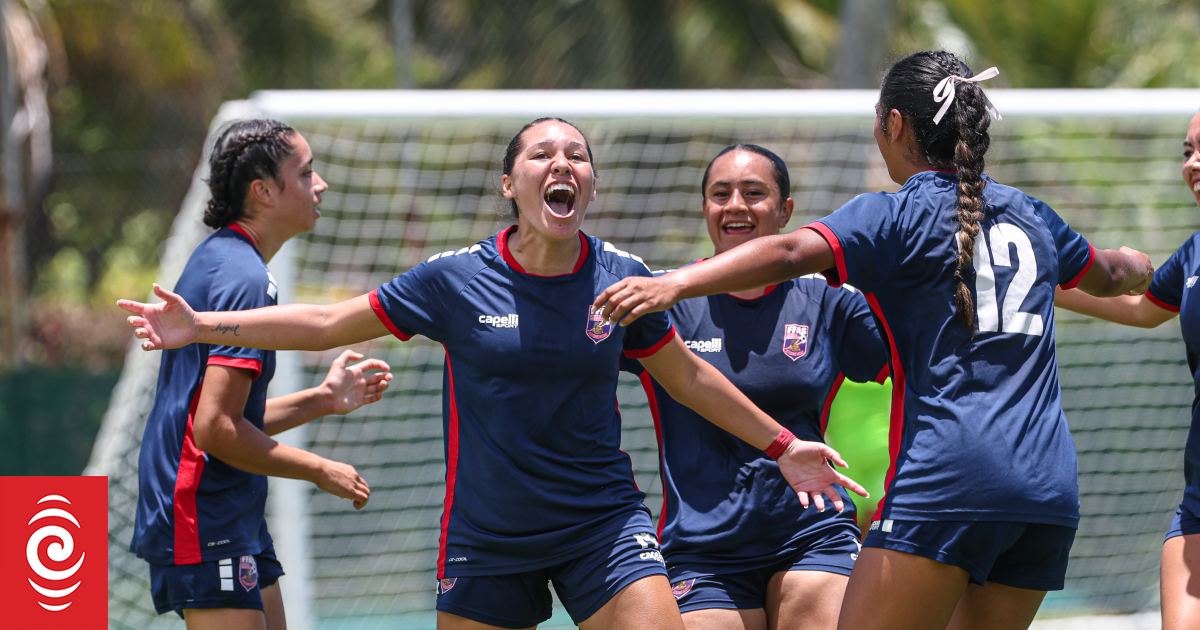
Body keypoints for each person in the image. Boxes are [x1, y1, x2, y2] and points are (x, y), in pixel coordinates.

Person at [118, 117, 868, 630]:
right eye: (541, 155)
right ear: (511, 184)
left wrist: (782, 446)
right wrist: (201, 327)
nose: (562, 163)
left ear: (591, 187)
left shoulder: (622, 277)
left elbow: (688, 379)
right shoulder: (454, 280)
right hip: (487, 536)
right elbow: (326, 322)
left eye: (576, 155)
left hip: (602, 527)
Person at [592, 51, 1156, 630]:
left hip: (948, 481)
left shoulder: (895, 216)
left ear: (894, 126)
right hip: (1046, 491)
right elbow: (1112, 276)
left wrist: (672, 284)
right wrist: (1141, 266)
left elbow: (788, 253)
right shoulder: (1034, 216)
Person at [129, 119, 392, 630]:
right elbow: (215, 431)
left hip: (226, 509)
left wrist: (321, 399)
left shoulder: (226, 261)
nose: (321, 185)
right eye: (307, 172)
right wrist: (319, 469)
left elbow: (220, 420)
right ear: (264, 191)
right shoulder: (243, 277)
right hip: (203, 513)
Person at [621, 143, 890, 630]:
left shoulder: (829, 301)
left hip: (812, 532)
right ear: (705, 208)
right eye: (720, 194)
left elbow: (923, 371)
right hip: (702, 547)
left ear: (786, 210)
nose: (735, 206)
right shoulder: (662, 301)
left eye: (753, 192)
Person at [1054, 109, 1200, 630]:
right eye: (1187, 152)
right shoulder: (1193, 253)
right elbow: (1142, 311)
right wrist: (1043, 284)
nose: (1194, 163)